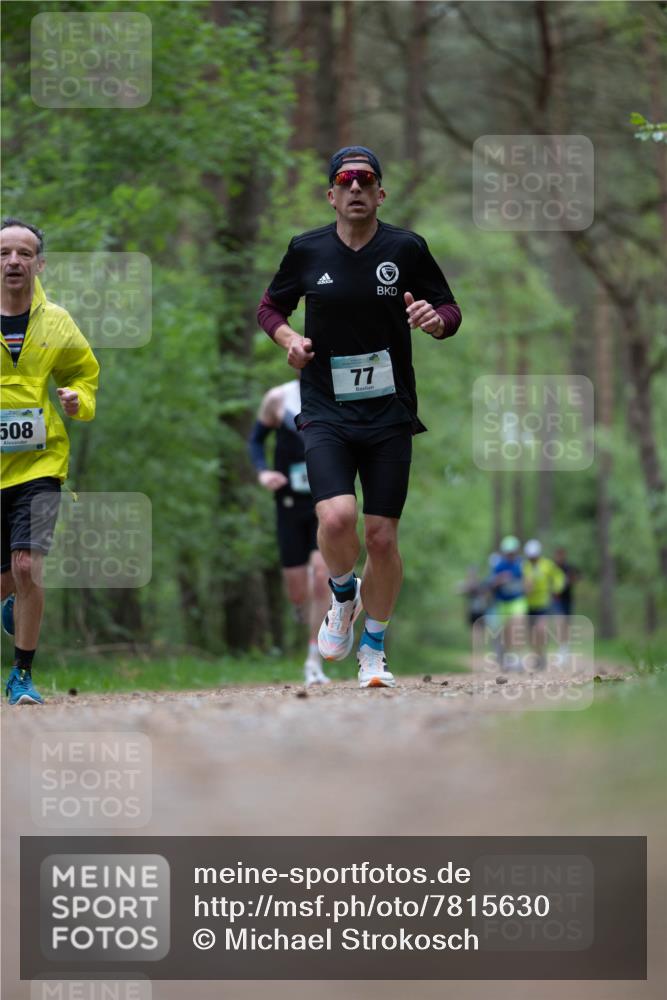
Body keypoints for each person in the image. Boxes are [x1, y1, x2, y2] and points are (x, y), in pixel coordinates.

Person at [257, 146, 461, 688]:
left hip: (390, 410)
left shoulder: (406, 248)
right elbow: (269, 308)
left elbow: (449, 308)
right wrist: (289, 340)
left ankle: (374, 645)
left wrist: (433, 320)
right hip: (325, 407)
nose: (355, 189)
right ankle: (342, 595)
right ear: (331, 195)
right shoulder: (307, 250)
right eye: (344, 181)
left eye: (365, 180)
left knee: (383, 538)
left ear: (379, 193)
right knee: (337, 518)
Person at [1, 219, 99, 705]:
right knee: (7, 580)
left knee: (27, 566)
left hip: (41, 464)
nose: (13, 261)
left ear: (40, 264)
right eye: (4, 253)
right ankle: (12, 606)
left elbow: (85, 372)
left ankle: (22, 675)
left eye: (24, 253)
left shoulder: (56, 320)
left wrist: (78, 399)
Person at [248, 377, 330, 685]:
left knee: (321, 578)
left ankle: (314, 659)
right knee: (298, 589)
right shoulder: (277, 398)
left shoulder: (335, 392)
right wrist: (263, 472)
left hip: (325, 499)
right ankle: (300, 606)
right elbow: (256, 440)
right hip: (288, 501)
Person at [522, 539, 566, 669]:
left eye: (534, 557)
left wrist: (557, 589)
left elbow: (559, 576)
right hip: (529, 604)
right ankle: (538, 656)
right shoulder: (525, 566)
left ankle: (543, 655)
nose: (532, 559)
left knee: (541, 629)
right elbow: (520, 581)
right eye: (530, 557)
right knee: (531, 634)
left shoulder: (547, 565)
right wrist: (525, 587)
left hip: (544, 603)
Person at [489, 535, 527, 671]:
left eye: (513, 552)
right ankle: (507, 657)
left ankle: (517, 657)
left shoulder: (521, 564)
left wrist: (527, 585)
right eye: (508, 552)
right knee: (506, 631)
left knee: (517, 625)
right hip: (502, 602)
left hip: (517, 601)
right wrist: (500, 579)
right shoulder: (499, 565)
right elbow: (490, 583)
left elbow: (528, 580)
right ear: (504, 552)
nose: (511, 554)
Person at [552, 546, 579, 655]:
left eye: (561, 555)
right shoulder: (552, 568)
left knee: (567, 624)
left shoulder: (569, 568)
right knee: (560, 621)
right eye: (558, 555)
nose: (559, 557)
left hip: (568, 599)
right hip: (557, 600)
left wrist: (570, 580)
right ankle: (561, 647)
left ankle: (565, 646)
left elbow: (577, 578)